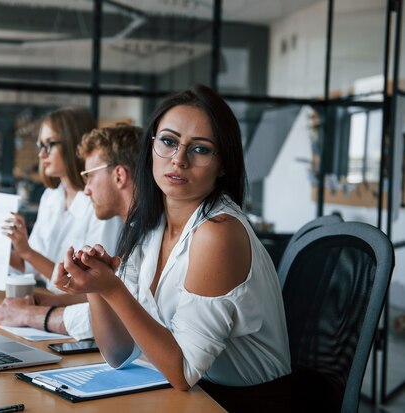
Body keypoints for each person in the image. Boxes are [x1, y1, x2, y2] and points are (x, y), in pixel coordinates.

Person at [53, 85, 292, 412]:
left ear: (223, 164)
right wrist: (98, 287)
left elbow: (183, 372)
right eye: (168, 141)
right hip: (189, 396)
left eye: (201, 149)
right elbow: (119, 353)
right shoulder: (150, 225)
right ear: (151, 147)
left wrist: (115, 288)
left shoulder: (217, 233)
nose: (178, 159)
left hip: (241, 403)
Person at [0, 124, 140, 339]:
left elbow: (117, 318)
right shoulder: (135, 230)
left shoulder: (143, 234)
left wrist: (33, 314)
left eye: (89, 177)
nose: (86, 189)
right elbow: (109, 301)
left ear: (119, 176)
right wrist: (51, 301)